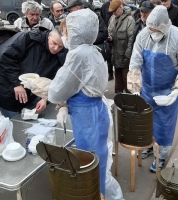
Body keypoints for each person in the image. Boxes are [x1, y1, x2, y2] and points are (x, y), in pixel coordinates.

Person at [21, 9, 123, 200]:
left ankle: (96, 194)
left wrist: (35, 83)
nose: (64, 36)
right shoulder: (92, 50)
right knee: (97, 161)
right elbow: (78, 85)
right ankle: (103, 193)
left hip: (87, 118)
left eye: (66, 31)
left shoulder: (78, 55)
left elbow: (57, 90)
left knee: (89, 165)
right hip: (96, 113)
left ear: (76, 31)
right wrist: (65, 105)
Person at [127, 5, 178, 172]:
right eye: (151, 29)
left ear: (165, 25)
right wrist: (135, 89)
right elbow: (135, 62)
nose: (154, 33)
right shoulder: (143, 35)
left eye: (157, 30)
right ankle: (148, 146)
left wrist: (177, 91)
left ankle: (161, 156)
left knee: (164, 125)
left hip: (168, 90)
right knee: (146, 121)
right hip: (147, 89)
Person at [0, 27, 66, 118]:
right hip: (8, 92)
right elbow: (5, 57)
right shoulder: (29, 37)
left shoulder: (62, 54)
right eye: (54, 43)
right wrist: (16, 83)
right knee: (13, 124)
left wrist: (45, 98)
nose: (55, 49)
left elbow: (55, 78)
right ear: (49, 35)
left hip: (32, 97)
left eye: (60, 46)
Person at [108, 0, 135, 93]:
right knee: (118, 79)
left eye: (114, 11)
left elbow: (131, 39)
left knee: (127, 78)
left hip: (125, 54)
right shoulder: (112, 18)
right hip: (115, 54)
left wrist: (127, 55)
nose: (113, 13)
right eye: (112, 11)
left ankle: (130, 98)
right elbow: (110, 31)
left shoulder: (130, 20)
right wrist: (110, 38)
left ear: (120, 7)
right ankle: (119, 98)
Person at [100, 0, 115, 81]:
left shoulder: (118, 4)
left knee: (116, 54)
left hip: (116, 32)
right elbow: (102, 19)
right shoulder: (105, 6)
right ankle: (110, 73)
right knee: (109, 54)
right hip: (107, 33)